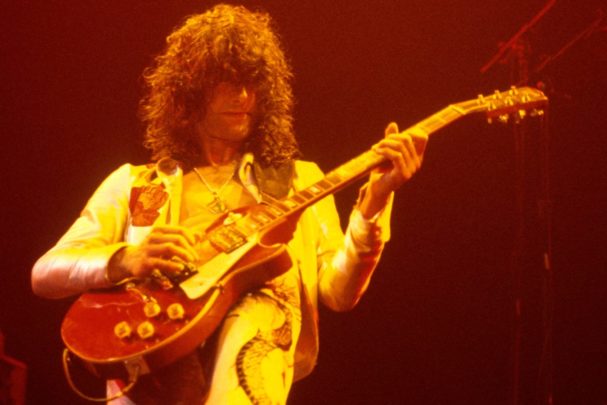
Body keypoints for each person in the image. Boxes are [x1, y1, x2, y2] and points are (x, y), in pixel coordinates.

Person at [31, 4, 426, 404]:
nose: (243, 96)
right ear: (189, 91)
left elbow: (339, 293)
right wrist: (126, 259)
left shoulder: (297, 182)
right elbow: (45, 273)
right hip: (148, 378)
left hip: (251, 368)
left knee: (261, 305)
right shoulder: (135, 184)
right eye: (227, 82)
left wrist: (374, 203)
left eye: (252, 83)